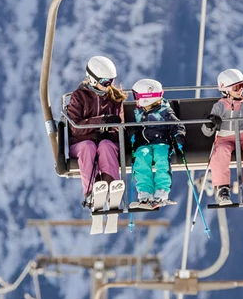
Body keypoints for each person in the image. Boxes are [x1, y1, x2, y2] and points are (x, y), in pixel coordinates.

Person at [66, 56, 126, 206]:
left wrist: (109, 132)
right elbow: (75, 126)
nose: (109, 85)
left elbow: (120, 127)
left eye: (111, 81)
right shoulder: (79, 97)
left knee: (105, 146)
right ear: (93, 80)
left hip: (107, 143)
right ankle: (91, 191)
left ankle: (112, 187)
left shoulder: (115, 98)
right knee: (88, 147)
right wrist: (100, 122)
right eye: (105, 82)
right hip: (80, 144)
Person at [202, 68, 243, 206]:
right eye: (237, 87)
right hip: (224, 138)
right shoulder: (219, 106)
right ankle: (222, 188)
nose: (241, 90)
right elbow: (207, 132)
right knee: (220, 152)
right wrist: (210, 124)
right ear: (225, 89)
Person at [130, 78, 185, 207]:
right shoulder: (138, 112)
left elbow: (177, 124)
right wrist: (131, 132)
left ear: (147, 97)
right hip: (144, 144)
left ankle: (161, 191)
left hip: (162, 143)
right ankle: (145, 192)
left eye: (136, 96)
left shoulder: (165, 111)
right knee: (141, 157)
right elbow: (133, 125)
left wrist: (179, 134)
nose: (135, 99)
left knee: (161, 157)